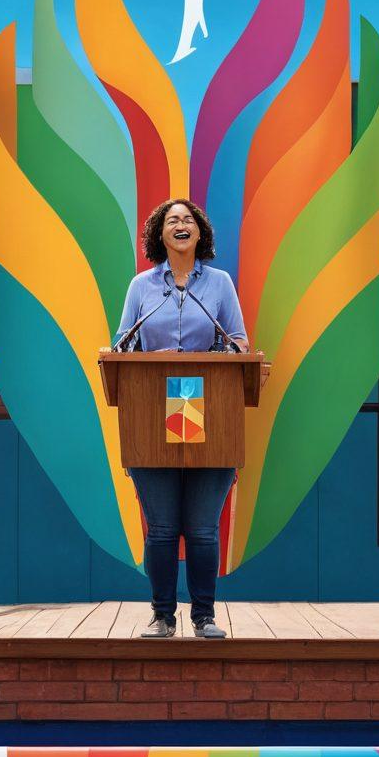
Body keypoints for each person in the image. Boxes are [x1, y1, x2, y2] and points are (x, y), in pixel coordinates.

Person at [110, 200, 248, 639]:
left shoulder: (221, 283)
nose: (181, 225)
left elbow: (239, 341)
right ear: (161, 234)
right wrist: (141, 355)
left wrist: (225, 352)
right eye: (173, 220)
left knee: (204, 530)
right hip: (152, 411)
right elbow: (122, 344)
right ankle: (163, 616)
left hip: (211, 412)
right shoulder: (142, 286)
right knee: (164, 529)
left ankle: (204, 616)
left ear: (200, 232)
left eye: (188, 219)